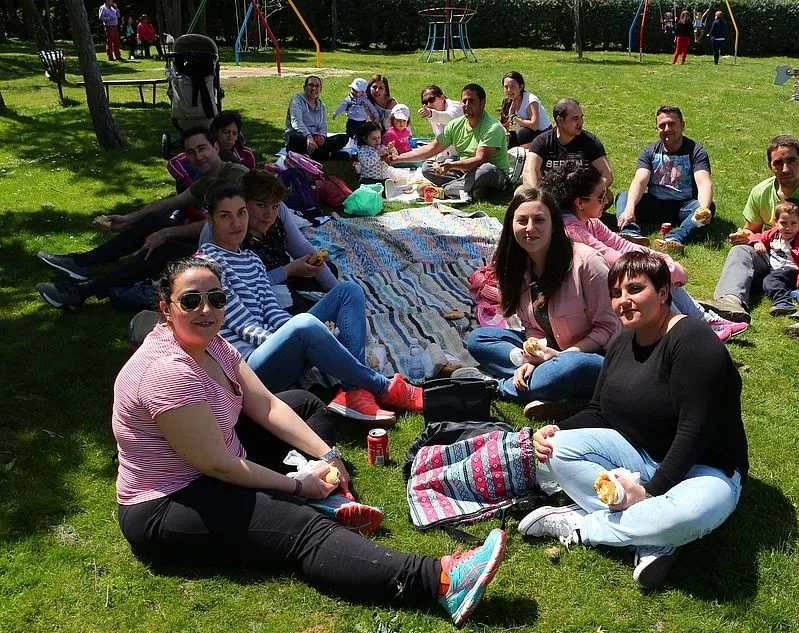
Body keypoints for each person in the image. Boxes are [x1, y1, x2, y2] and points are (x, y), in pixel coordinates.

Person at [113, 256, 506, 628]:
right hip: (172, 501)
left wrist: (329, 455)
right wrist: (297, 485)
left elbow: (265, 402)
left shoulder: (212, 343)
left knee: (303, 404)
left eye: (216, 298)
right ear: (166, 307)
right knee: (302, 531)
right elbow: (215, 463)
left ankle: (325, 496)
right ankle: (440, 581)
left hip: (219, 458)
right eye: (191, 300)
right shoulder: (168, 372)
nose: (206, 309)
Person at [518, 251, 748, 590]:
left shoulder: (694, 342)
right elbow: (600, 410)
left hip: (705, 469)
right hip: (641, 455)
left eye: (635, 289)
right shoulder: (623, 339)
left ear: (664, 293)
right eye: (616, 293)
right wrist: (557, 429)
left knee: (686, 515)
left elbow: (695, 430)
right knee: (556, 449)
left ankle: (585, 525)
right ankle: (654, 537)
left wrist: (650, 491)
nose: (623, 300)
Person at [196, 181, 422, 422]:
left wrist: (306, 335)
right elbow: (243, 326)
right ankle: (382, 387)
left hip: (274, 351)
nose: (237, 223)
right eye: (225, 216)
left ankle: (355, 392)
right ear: (209, 219)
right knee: (303, 324)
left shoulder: (252, 259)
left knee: (348, 291)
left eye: (241, 213)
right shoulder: (207, 266)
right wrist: (299, 335)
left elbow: (272, 311)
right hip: (248, 369)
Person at [36, 127, 248, 310]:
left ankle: (79, 292)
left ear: (216, 147)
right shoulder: (205, 181)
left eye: (202, 148)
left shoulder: (235, 175)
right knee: (153, 221)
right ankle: (80, 263)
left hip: (237, 252)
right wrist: (128, 219)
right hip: (213, 242)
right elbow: (169, 204)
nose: (198, 157)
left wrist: (166, 233)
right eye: (191, 153)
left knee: (163, 248)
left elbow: (224, 225)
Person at [544, 163, 748, 342]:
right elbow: (609, 255)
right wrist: (662, 267)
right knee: (654, 280)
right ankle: (686, 330)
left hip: (606, 282)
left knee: (659, 273)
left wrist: (662, 259)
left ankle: (703, 321)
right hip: (586, 296)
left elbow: (620, 244)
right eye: (600, 197)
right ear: (580, 202)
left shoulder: (589, 221)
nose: (605, 201)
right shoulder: (571, 228)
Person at [463, 188, 618, 420]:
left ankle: (503, 385)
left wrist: (558, 357)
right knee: (478, 339)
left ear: (554, 224)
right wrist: (534, 355)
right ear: (511, 224)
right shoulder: (518, 266)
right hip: (550, 353)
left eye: (539, 220)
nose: (529, 228)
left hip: (593, 357)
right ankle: (546, 386)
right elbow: (532, 326)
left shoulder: (587, 263)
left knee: (567, 369)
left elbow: (608, 329)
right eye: (522, 220)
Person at [702, 135, 799, 348]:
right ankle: (729, 304)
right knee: (740, 251)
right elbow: (751, 230)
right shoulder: (761, 192)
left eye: (791, 161)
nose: (785, 168)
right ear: (770, 165)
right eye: (778, 162)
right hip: (773, 256)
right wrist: (742, 236)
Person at [198, 170, 339, 313]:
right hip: (251, 293)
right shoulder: (229, 233)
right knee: (293, 302)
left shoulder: (277, 213)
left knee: (326, 270)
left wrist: (337, 290)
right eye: (261, 205)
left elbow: (301, 247)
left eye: (275, 206)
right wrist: (288, 270)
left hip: (276, 275)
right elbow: (242, 286)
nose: (269, 215)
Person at [617, 105, 715, 254]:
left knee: (708, 208)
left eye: (672, 124)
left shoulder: (696, 151)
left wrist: (703, 209)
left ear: (682, 125)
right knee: (624, 197)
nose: (667, 129)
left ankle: (675, 238)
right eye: (662, 125)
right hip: (655, 203)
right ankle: (631, 232)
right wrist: (630, 208)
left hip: (685, 206)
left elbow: (704, 182)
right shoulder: (649, 151)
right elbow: (640, 180)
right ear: (657, 129)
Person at [395, 84, 509, 201]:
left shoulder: (492, 127)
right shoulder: (456, 124)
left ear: (482, 103)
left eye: (472, 101)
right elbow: (432, 148)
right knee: (427, 168)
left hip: (492, 173)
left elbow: (480, 160)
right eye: (464, 101)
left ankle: (445, 191)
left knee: (486, 170)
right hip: (465, 171)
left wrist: (451, 166)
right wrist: (397, 158)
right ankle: (470, 189)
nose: (467, 105)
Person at [521, 98, 614, 201]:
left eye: (581, 117)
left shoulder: (590, 142)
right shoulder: (542, 141)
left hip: (579, 195)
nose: (580, 122)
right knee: (520, 192)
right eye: (575, 119)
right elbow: (529, 170)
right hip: (548, 193)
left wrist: (589, 195)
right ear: (560, 120)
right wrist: (539, 197)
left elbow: (607, 174)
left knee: (607, 196)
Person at [747, 199, 799, 316]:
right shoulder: (774, 234)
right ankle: (793, 293)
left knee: (770, 281)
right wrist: (757, 242)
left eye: (793, 223)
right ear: (776, 222)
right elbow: (757, 236)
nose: (788, 228)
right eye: (783, 223)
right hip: (774, 271)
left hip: (791, 272)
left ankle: (783, 302)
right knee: (756, 283)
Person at [167, 110, 256, 197]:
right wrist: (191, 186)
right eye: (226, 132)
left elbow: (253, 180)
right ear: (215, 131)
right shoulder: (202, 151)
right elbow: (173, 163)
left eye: (235, 134)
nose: (230, 137)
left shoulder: (246, 154)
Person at [284, 76, 351, 161]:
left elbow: (323, 125)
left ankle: (317, 153)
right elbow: (296, 122)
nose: (314, 88)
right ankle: (330, 155)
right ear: (304, 88)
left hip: (315, 140)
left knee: (343, 138)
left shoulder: (321, 105)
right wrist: (308, 137)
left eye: (317, 86)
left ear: (320, 89)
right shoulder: (296, 101)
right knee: (294, 138)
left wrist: (322, 136)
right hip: (301, 138)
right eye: (311, 85)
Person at [498, 71, 552, 148]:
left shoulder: (530, 101)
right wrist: (505, 133)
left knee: (523, 133)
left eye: (512, 86)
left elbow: (534, 126)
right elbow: (504, 124)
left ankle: (527, 157)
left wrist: (514, 118)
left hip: (544, 135)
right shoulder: (508, 101)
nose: (509, 90)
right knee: (504, 136)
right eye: (506, 87)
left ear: (521, 87)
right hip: (527, 137)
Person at [355, 121, 411, 186]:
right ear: (365, 138)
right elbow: (366, 163)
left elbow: (395, 156)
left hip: (383, 177)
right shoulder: (363, 150)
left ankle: (385, 189)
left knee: (387, 183)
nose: (377, 140)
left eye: (379, 137)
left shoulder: (382, 147)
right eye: (373, 138)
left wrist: (391, 149)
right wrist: (378, 154)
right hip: (369, 178)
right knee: (367, 183)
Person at [417, 85, 464, 159]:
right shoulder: (432, 113)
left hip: (464, 155)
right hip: (448, 156)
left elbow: (450, 118)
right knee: (426, 167)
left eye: (431, 100)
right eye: (425, 102)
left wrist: (431, 114)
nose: (428, 104)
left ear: (442, 98)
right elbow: (440, 138)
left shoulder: (456, 107)